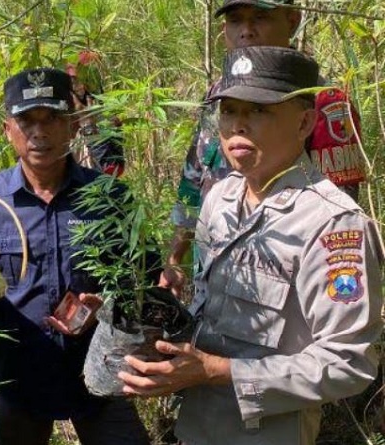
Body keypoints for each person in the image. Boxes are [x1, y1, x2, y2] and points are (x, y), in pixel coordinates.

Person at [119, 46, 383, 445]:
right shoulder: (220, 199)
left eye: (258, 110)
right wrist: (142, 327)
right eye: (229, 110)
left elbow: (350, 363)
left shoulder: (331, 223)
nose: (238, 125)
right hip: (195, 426)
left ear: (304, 122)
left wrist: (217, 372)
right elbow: (207, 312)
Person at [0, 67, 149, 445]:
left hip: (98, 368)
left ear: (74, 125)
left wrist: (108, 306)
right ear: (7, 129)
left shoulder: (112, 198)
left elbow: (141, 281)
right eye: (26, 120)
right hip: (18, 379)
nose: (39, 132)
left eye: (53, 119)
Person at [160, 0, 366, 296]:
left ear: (292, 21)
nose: (246, 31)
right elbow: (195, 176)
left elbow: (337, 215)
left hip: (281, 280)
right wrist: (175, 258)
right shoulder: (218, 93)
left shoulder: (323, 101)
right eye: (235, 20)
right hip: (215, 266)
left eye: (260, 17)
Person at [66, 52, 126, 177]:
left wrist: (89, 128)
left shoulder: (107, 118)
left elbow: (112, 172)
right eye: (74, 81)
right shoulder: (57, 119)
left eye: (87, 80)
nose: (81, 87)